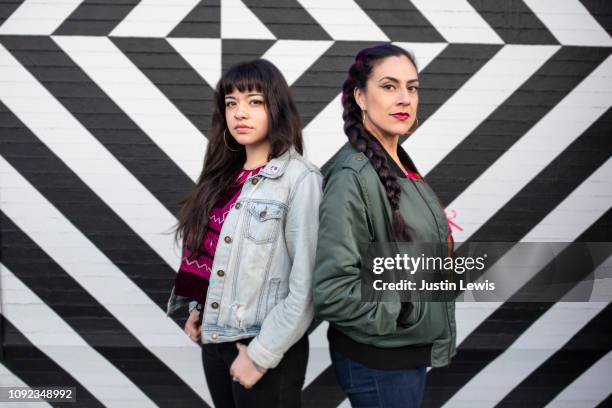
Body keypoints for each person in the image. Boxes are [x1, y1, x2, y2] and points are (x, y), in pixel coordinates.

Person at [166, 59, 322, 408]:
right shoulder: (221, 177)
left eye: (254, 101)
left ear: (276, 107)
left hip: (265, 345)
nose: (240, 113)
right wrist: (200, 309)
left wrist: (261, 355)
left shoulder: (299, 180)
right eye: (231, 103)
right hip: (216, 338)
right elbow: (217, 256)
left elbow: (307, 285)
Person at [312, 43, 456, 407]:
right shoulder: (352, 175)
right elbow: (332, 288)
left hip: (403, 356)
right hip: (379, 363)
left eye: (412, 87)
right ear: (360, 96)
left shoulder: (399, 164)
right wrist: (403, 308)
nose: (405, 98)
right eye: (389, 86)